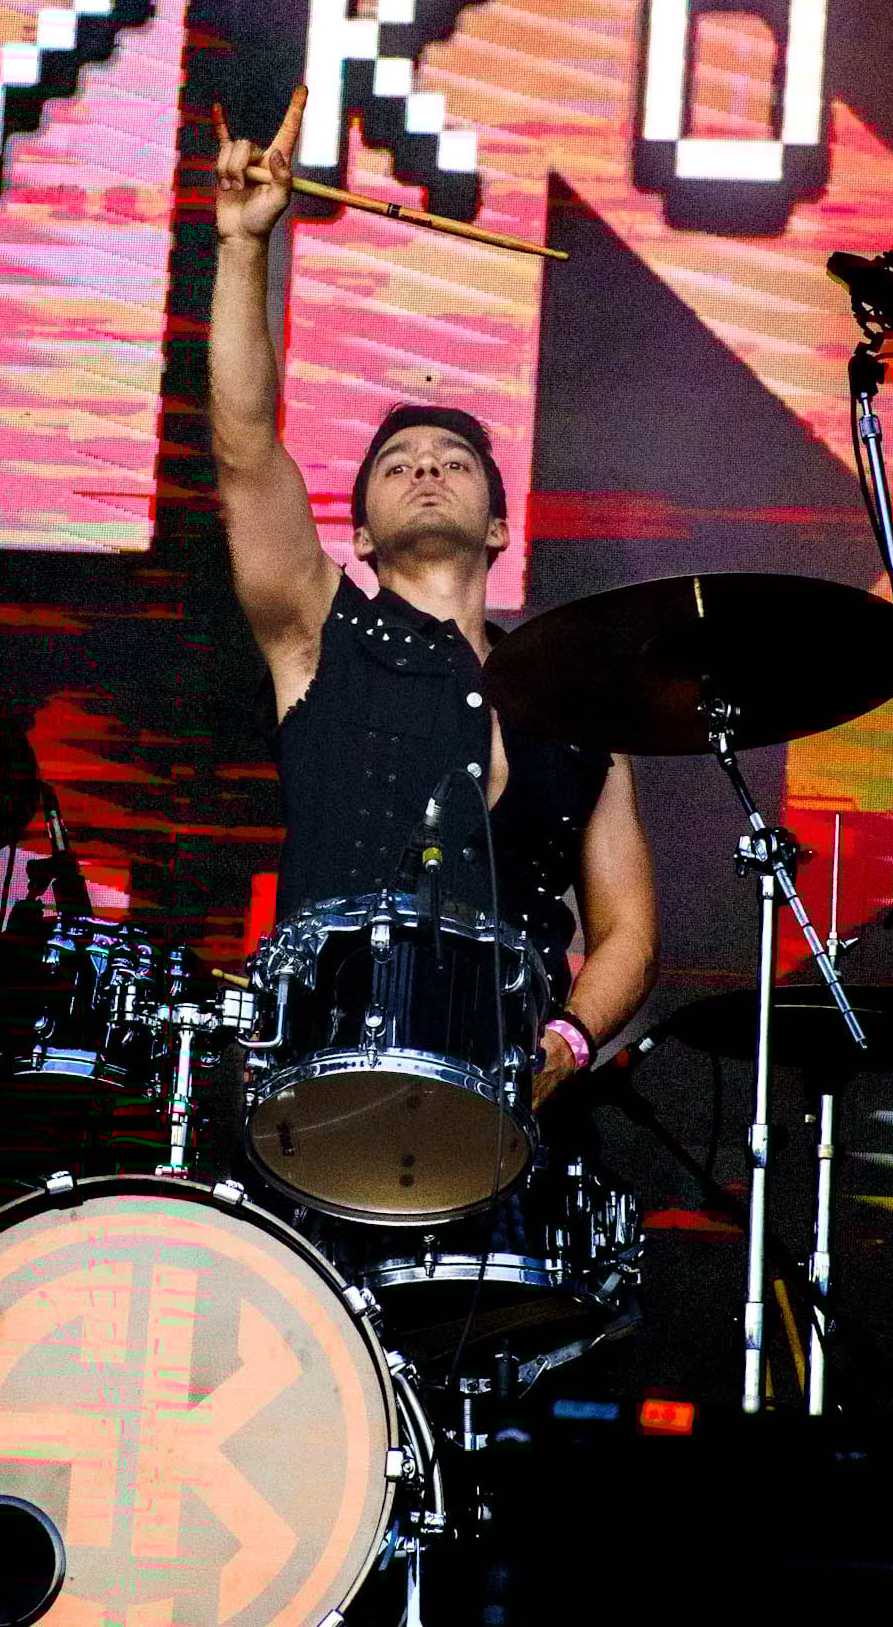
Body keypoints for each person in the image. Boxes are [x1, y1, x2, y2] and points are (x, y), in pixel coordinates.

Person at [208, 85, 657, 1106]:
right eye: (396, 461)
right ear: (360, 534)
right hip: (321, 1093)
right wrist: (242, 247)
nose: (425, 467)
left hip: (505, 1112)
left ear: (498, 525)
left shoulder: (579, 705)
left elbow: (628, 926)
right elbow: (245, 450)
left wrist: (565, 1043)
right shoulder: (319, 633)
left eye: (454, 461)